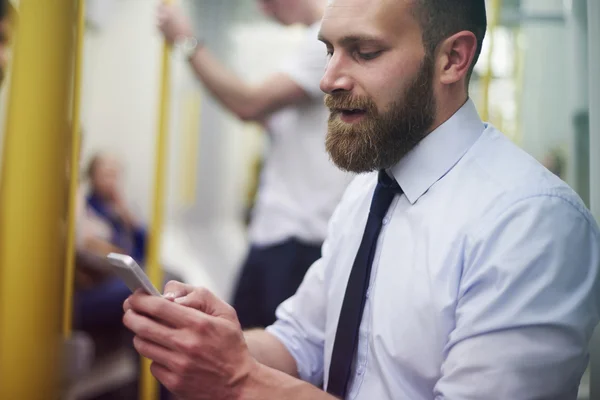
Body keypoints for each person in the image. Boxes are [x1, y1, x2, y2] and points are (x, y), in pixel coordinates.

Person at [124, 0, 600, 399]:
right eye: (329, 51)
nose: (328, 79)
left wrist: (239, 377)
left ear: (453, 59)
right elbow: (300, 341)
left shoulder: (532, 224)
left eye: (364, 52)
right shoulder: (363, 198)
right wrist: (209, 339)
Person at [157, 0, 351, 328]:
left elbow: (248, 103)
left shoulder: (324, 44)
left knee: (256, 358)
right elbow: (260, 111)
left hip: (297, 237)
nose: (263, 11)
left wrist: (185, 41)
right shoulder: (309, 44)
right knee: (240, 346)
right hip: (281, 232)